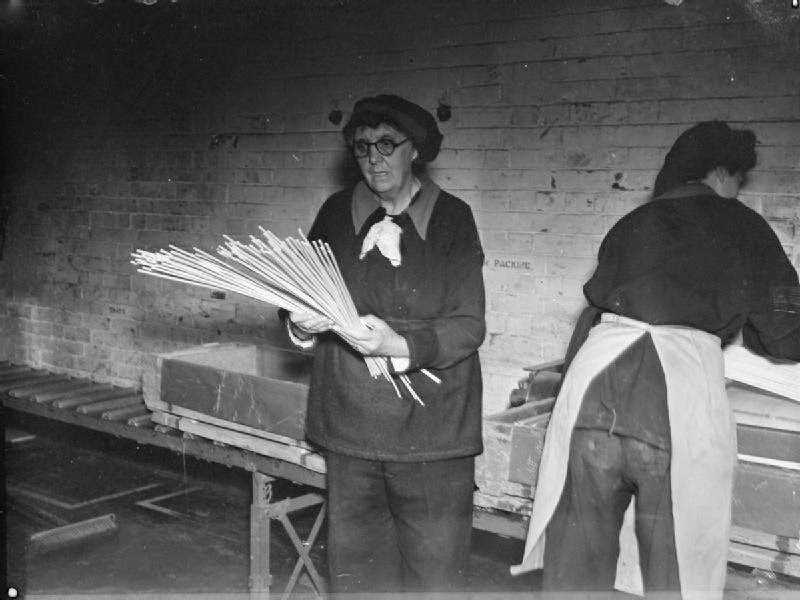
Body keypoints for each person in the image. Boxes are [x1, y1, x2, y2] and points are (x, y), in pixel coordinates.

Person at [511, 121, 800, 598]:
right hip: (673, 403)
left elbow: (592, 313)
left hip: (592, 393)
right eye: (738, 179)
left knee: (576, 568)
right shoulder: (745, 226)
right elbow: (786, 336)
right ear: (720, 172)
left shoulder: (633, 221)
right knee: (678, 565)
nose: (737, 191)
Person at [283, 94, 486, 595]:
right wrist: (302, 324)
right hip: (352, 427)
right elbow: (295, 295)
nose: (374, 158)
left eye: (387, 144)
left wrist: (399, 343)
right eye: (363, 146)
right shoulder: (336, 214)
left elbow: (468, 325)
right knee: (359, 577)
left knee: (436, 578)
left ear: (414, 149)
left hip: (433, 433)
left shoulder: (452, 218)